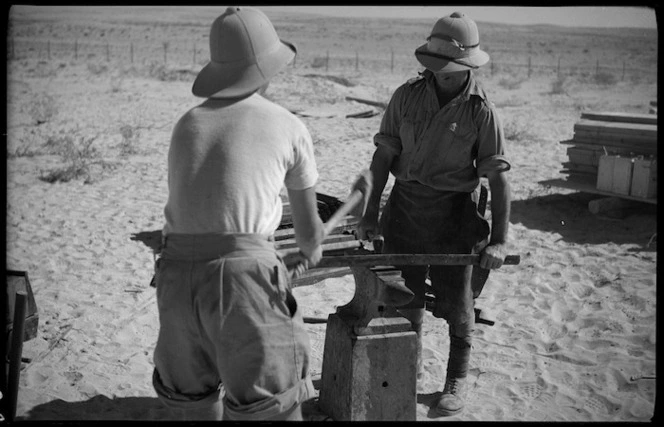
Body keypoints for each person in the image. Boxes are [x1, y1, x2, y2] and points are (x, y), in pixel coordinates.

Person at [151, 6, 371, 421]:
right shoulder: (286, 125)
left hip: (175, 279)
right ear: (266, 67)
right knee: (272, 409)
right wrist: (306, 250)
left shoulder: (187, 124)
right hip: (242, 285)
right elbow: (309, 240)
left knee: (194, 409)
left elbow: (205, 216)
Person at [357, 11, 511, 417]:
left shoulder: (481, 112)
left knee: (458, 305)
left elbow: (497, 181)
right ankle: (408, 369)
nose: (439, 72)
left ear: (466, 66)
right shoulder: (406, 96)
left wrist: (498, 240)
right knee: (404, 298)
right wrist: (370, 212)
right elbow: (383, 156)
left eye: (448, 66)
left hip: (454, 217)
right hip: (405, 209)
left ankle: (456, 378)